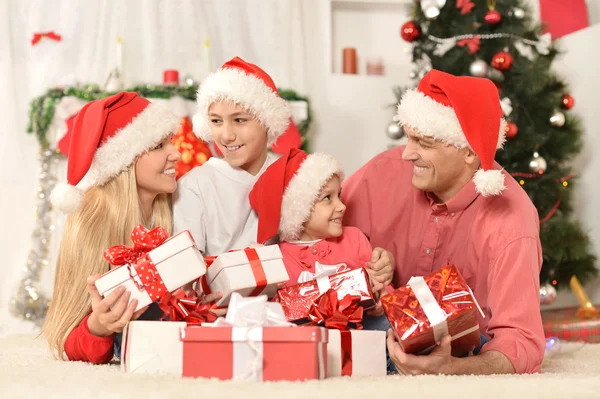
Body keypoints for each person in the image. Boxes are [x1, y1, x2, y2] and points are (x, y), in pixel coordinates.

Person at [342, 69, 546, 375]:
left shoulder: (512, 221)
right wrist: (365, 272)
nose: (407, 153)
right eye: (409, 137)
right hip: (371, 333)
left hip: (461, 350)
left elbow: (522, 340)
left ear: (468, 151)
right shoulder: (380, 174)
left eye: (423, 142)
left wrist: (452, 371)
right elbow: (317, 242)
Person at [43, 92, 182, 363]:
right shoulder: (91, 220)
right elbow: (66, 338)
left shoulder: (181, 206)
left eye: (171, 142)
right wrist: (100, 326)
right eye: (158, 146)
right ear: (123, 162)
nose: (176, 154)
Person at [173, 57, 292, 257]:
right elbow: (188, 269)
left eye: (239, 120)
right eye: (216, 121)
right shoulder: (194, 186)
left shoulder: (291, 176)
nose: (227, 135)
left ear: (267, 122)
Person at [248, 148, 389, 293]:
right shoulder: (277, 259)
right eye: (327, 198)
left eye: (339, 195)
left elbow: (384, 289)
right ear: (299, 211)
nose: (342, 206)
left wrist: (380, 296)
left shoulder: (355, 239)